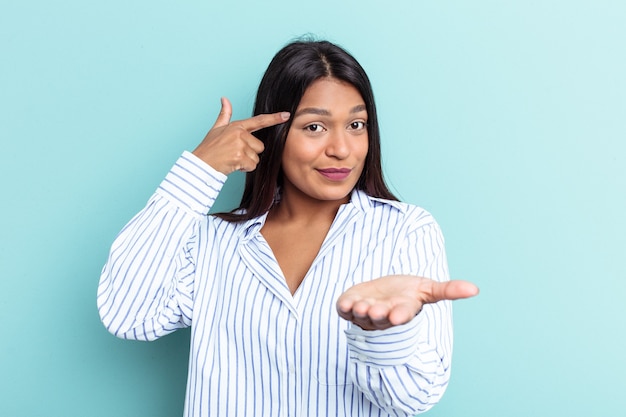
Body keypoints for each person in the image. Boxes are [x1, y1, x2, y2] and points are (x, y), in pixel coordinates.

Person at [98, 39, 478, 417]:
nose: (342, 149)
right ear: (274, 134)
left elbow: (416, 398)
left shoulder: (406, 231)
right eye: (315, 126)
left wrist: (383, 334)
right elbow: (127, 314)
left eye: (356, 124)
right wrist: (198, 172)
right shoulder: (211, 241)